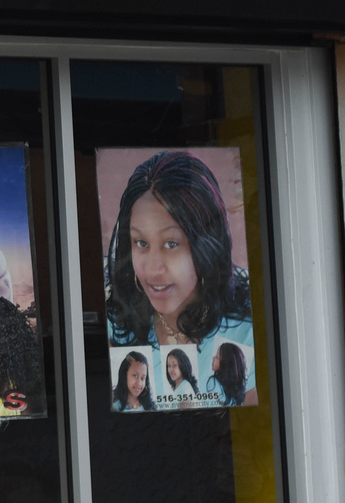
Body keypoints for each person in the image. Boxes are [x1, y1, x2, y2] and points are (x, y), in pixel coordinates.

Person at [104, 150, 254, 356]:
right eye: (141, 242)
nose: (153, 268)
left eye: (171, 244)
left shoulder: (247, 328)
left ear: (206, 245)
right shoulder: (116, 326)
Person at [210, 339, 255, 407]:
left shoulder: (213, 382)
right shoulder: (239, 390)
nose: (213, 358)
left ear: (226, 364)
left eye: (217, 357)